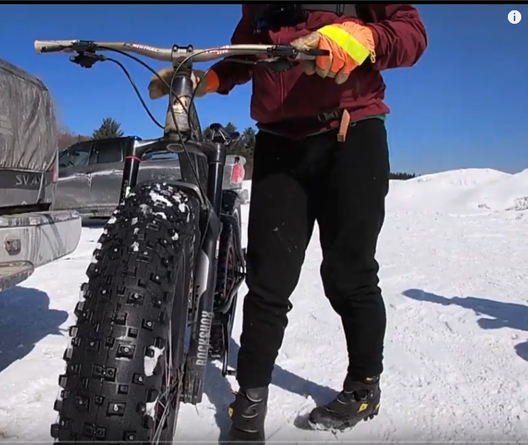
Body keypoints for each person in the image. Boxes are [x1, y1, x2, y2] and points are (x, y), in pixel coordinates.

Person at [147, 4, 427, 443]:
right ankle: (250, 403)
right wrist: (209, 81)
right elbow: (245, 54)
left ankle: (363, 387)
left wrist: (361, 38)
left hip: (350, 134)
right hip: (280, 143)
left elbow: (411, 33)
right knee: (268, 279)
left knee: (348, 273)